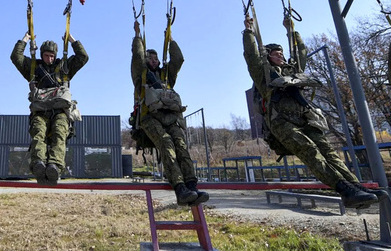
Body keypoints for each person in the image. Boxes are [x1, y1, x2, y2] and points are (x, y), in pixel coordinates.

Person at [243, 15, 384, 208]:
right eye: (276, 54)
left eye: (282, 53)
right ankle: (344, 189)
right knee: (310, 150)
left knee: (329, 153)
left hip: (304, 119)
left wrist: (291, 30)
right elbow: (251, 56)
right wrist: (249, 32)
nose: (281, 56)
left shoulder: (293, 71)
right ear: (267, 56)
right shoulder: (263, 74)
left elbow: (300, 51)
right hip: (281, 122)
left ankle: (356, 186)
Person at [131, 20, 208, 206]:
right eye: (150, 58)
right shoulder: (140, 74)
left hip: (171, 118)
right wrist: (137, 36)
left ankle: (191, 185)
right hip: (149, 117)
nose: (153, 61)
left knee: (181, 146)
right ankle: (180, 187)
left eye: (156, 58)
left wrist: (170, 39)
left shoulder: (166, 76)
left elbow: (178, 59)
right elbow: (137, 56)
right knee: (166, 144)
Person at [10, 33, 88, 184]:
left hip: (60, 111)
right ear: (41, 55)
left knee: (60, 133)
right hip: (40, 110)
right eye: (46, 55)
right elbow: (16, 57)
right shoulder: (33, 68)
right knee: (38, 133)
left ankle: (55, 166)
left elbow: (83, 57)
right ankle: (38, 164)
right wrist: (25, 39)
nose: (49, 59)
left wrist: (71, 40)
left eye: (52, 56)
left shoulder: (64, 67)